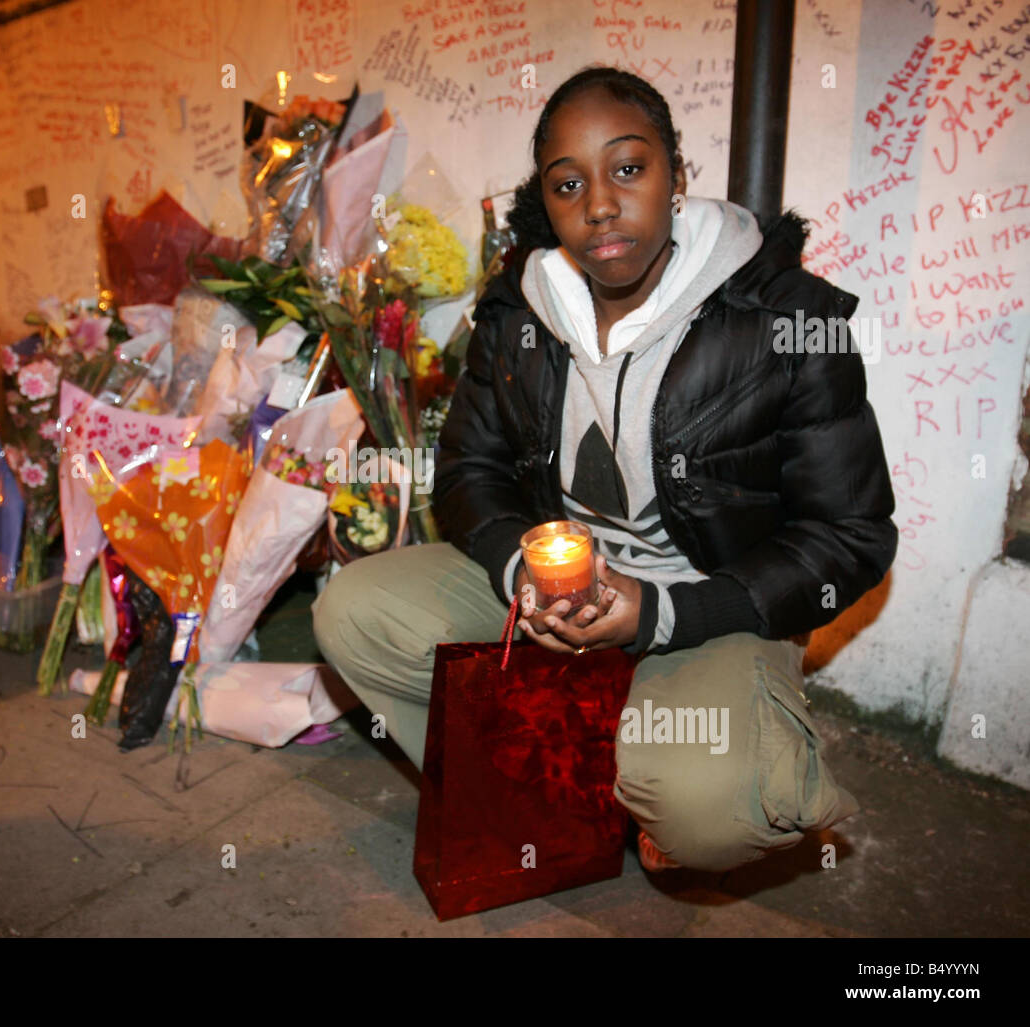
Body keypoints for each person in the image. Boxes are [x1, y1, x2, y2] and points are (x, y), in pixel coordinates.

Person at [312, 65, 896, 874]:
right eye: (566, 184)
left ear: (677, 174)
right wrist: (522, 565)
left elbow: (851, 534)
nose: (599, 205)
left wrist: (661, 614)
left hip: (706, 607)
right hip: (560, 597)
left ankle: (650, 761)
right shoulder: (517, 310)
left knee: (712, 803)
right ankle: (567, 787)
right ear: (546, 202)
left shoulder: (787, 319)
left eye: (629, 168)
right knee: (354, 612)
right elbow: (468, 470)